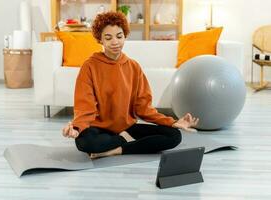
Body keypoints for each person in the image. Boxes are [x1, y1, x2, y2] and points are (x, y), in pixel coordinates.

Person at [62, 12, 199, 159]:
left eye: (119, 36)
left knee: (174, 136)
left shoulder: (133, 66)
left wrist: (173, 122)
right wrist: (76, 128)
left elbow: (144, 108)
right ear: (100, 40)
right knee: (84, 142)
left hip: (128, 128)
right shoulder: (89, 66)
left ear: (125, 35)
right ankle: (126, 142)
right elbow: (85, 106)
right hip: (99, 129)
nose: (115, 42)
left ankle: (116, 149)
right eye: (108, 38)